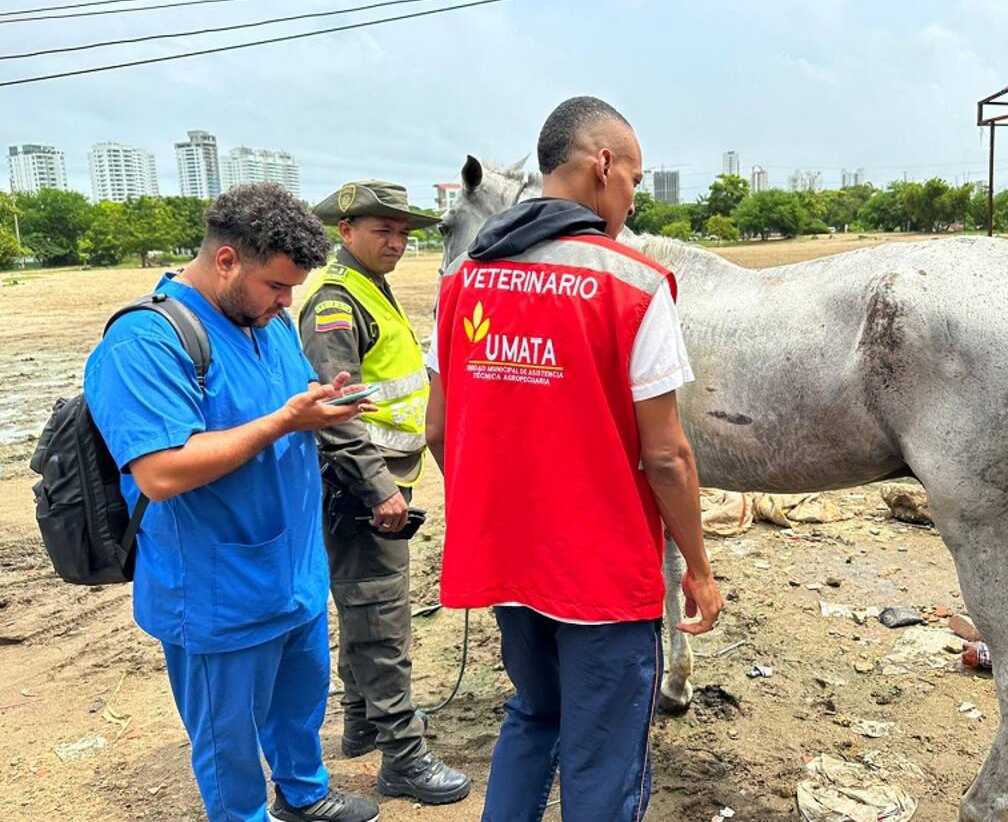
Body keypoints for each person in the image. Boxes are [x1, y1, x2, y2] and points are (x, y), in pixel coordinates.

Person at [425, 96, 724, 821]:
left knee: (534, 717)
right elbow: (668, 457)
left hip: (506, 566)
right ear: (603, 164)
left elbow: (439, 430)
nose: (630, 198)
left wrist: (495, 510)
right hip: (599, 575)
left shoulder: (462, 283)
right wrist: (702, 569)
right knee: (604, 752)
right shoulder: (633, 284)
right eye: (634, 180)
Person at [85, 183, 381, 822]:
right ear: (226, 261)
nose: (287, 303)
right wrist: (281, 423)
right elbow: (162, 472)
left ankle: (303, 793)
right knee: (228, 740)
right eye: (277, 286)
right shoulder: (147, 341)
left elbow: (289, 392)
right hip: (217, 589)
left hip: (292, 570)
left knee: (299, 701)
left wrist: (320, 402)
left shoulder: (264, 322)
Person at [301, 181, 470, 805]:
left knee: (363, 608)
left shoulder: (372, 288)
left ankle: (360, 723)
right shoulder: (335, 302)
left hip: (378, 478)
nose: (397, 242)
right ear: (345, 232)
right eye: (382, 230)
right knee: (381, 619)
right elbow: (337, 407)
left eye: (403, 233)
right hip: (357, 487)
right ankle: (403, 755)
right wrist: (378, 491)